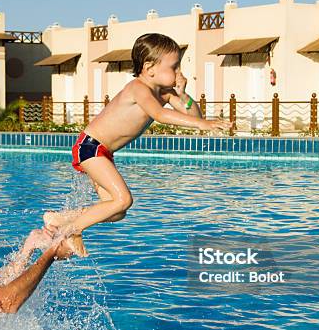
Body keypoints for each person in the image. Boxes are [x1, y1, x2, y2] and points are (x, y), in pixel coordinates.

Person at [45, 33, 231, 255]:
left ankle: (63, 219)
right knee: (123, 199)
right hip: (90, 147)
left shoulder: (165, 93)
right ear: (150, 67)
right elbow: (160, 115)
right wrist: (204, 125)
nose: (179, 72)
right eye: (174, 66)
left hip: (102, 152)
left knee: (116, 212)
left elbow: (193, 113)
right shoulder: (138, 88)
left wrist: (184, 95)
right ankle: (72, 229)